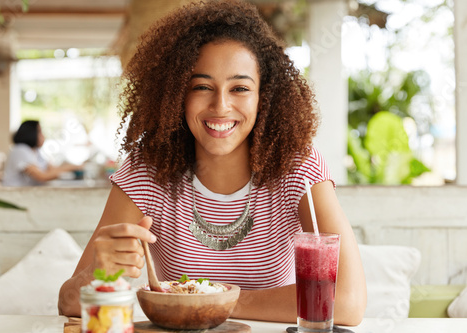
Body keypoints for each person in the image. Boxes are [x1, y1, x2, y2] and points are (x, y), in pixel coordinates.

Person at [59, 0, 366, 324]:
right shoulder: (147, 171)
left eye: (240, 88)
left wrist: (207, 301)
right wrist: (97, 272)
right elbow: (67, 301)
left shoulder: (297, 167)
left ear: (265, 97)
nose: (220, 106)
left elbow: (346, 302)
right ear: (177, 93)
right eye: (202, 86)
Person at [2, 120, 82, 186]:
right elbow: (42, 176)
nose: (44, 136)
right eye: (40, 132)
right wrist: (71, 168)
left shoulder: (36, 151)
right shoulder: (20, 150)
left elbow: (52, 169)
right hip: (15, 196)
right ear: (31, 133)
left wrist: (75, 166)